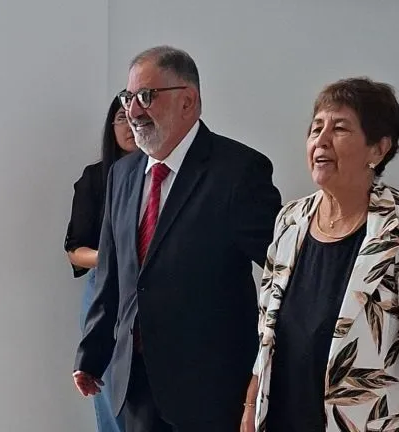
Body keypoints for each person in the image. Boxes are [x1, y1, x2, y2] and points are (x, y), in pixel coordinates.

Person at [242, 78, 399, 432]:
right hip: (283, 416)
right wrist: (252, 402)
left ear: (378, 149)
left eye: (339, 128)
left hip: (369, 421)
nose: (321, 140)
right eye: (316, 128)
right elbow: (268, 328)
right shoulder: (290, 219)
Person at [72, 46, 282, 432]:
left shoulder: (239, 172)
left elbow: (283, 274)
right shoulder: (122, 175)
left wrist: (270, 370)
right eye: (129, 97)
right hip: (136, 385)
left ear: (188, 101)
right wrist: (91, 354)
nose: (134, 111)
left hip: (210, 389)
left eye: (146, 96)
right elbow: (112, 275)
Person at [64, 96, 137, 432]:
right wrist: (115, 255)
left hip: (153, 290)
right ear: (111, 127)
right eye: (121, 118)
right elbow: (74, 249)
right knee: (108, 393)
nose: (130, 125)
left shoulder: (166, 177)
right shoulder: (96, 177)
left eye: (136, 117)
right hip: (106, 288)